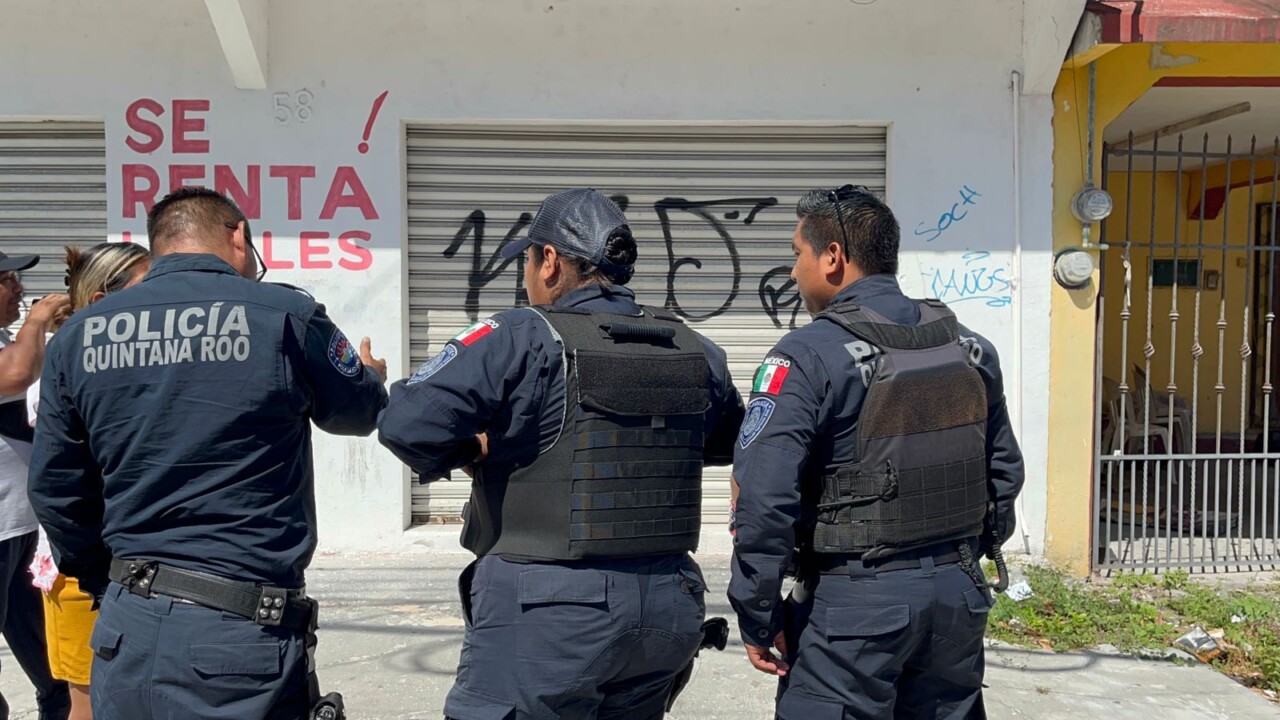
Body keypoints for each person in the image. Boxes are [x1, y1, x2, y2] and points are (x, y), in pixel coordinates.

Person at [378, 188, 745, 720]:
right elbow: (726, 439)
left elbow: (407, 423)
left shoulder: (522, 334)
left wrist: (473, 448)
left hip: (549, 612)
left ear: (548, 261)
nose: (525, 278)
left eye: (526, 261)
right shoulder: (691, 346)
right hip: (668, 606)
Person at [26, 187, 389, 720]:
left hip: (128, 629)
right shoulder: (286, 314)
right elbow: (358, 414)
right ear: (237, 235)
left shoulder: (77, 335)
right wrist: (371, 381)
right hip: (239, 638)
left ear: (161, 245)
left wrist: (110, 583)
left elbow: (56, 489)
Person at [727, 185, 1024, 720]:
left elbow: (763, 500)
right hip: (957, 595)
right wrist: (961, 559)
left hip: (856, 606)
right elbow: (1002, 473)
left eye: (798, 254)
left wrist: (756, 610)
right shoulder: (970, 347)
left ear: (833, 257)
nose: (793, 272)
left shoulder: (806, 356)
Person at [26, 242, 151, 720]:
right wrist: (93, 571)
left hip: (130, 564)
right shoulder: (67, 368)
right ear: (103, 304)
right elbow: (58, 489)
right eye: (148, 288)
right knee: (90, 701)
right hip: (81, 569)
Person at [0, 250, 72, 720]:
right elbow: (16, 375)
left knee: (57, 671)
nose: (21, 290)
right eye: (9, 280)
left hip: (22, 528)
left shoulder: (8, 338)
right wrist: (40, 319)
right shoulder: (16, 346)